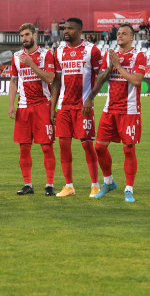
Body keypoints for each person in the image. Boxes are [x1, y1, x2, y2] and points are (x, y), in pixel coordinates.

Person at [83, 24, 146, 203]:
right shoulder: (110, 55)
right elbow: (100, 79)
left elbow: (136, 80)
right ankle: (109, 182)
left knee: (128, 149)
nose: (120, 36)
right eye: (118, 33)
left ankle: (129, 188)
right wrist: (111, 67)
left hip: (129, 110)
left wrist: (119, 66)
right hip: (110, 108)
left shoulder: (138, 56)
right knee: (100, 147)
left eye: (124, 33)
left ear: (132, 38)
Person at [51, 17, 103, 197]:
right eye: (65, 28)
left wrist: (91, 98)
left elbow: (100, 77)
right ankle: (69, 186)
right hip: (63, 106)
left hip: (83, 107)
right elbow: (57, 81)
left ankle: (95, 185)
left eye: (70, 29)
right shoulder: (58, 51)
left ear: (80, 31)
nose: (66, 31)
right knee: (64, 145)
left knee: (88, 145)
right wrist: (53, 107)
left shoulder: (92, 50)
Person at [9, 23, 57, 196]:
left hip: (42, 106)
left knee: (46, 147)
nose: (24, 38)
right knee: (24, 147)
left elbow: (50, 77)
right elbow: (14, 81)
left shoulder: (46, 54)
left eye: (27, 34)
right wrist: (11, 105)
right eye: (22, 36)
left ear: (35, 35)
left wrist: (31, 64)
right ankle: (28, 184)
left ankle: (49, 185)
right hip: (23, 107)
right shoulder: (16, 56)